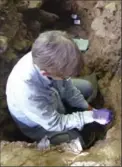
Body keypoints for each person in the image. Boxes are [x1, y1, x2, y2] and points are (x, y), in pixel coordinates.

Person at [6, 30, 112, 152]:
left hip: (53, 97)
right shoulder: (27, 92)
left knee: (87, 87)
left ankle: (70, 111)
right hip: (39, 124)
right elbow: (55, 122)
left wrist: (89, 108)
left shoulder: (47, 57)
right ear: (46, 73)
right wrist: (91, 116)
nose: (66, 79)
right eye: (64, 77)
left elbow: (68, 88)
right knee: (76, 141)